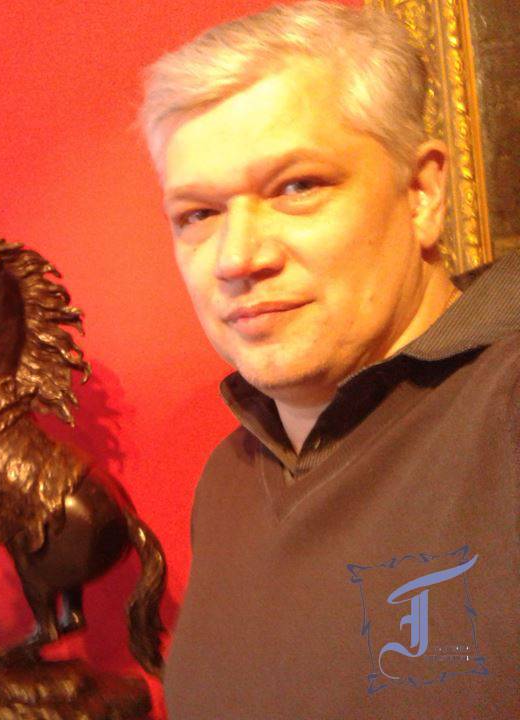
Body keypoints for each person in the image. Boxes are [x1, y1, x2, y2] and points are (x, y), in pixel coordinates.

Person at [140, 1, 518, 717]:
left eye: (297, 187)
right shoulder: (227, 481)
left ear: (422, 193)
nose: (238, 258)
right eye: (199, 214)